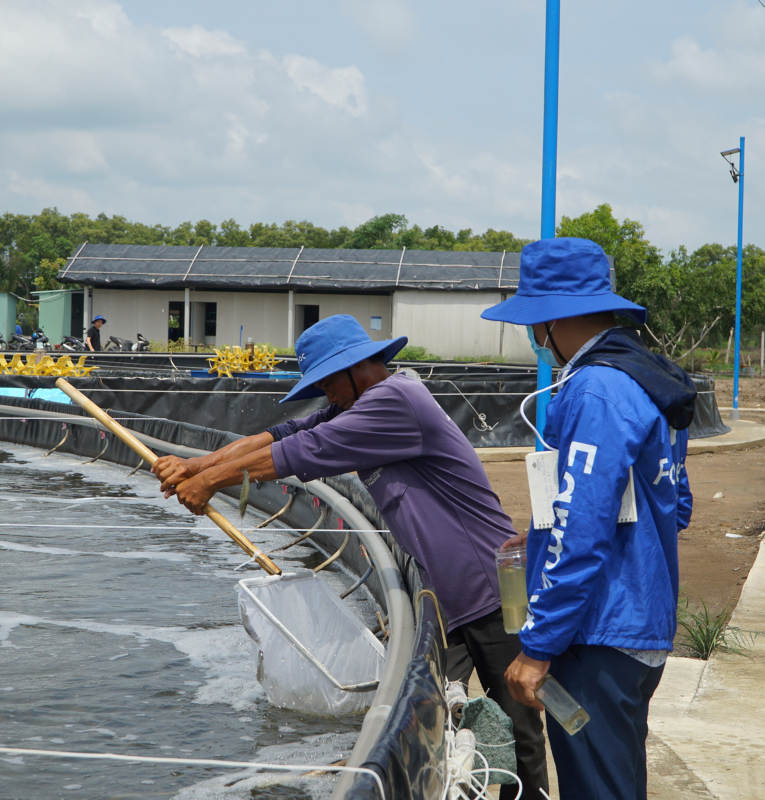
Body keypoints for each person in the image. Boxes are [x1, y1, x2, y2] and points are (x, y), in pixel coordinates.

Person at [152, 314, 549, 800]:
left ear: (358, 368)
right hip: (444, 595)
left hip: (486, 586)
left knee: (521, 724)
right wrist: (196, 464)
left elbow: (299, 453)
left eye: (326, 382)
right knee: (434, 717)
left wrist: (210, 482)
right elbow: (281, 436)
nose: (325, 395)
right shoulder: (358, 403)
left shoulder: (391, 403)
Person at [481, 238, 695, 800]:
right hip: (642, 624)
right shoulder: (651, 378)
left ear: (551, 320)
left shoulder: (594, 389)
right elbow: (678, 506)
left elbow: (582, 530)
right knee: (618, 782)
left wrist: (539, 646)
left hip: (599, 633)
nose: (532, 338)